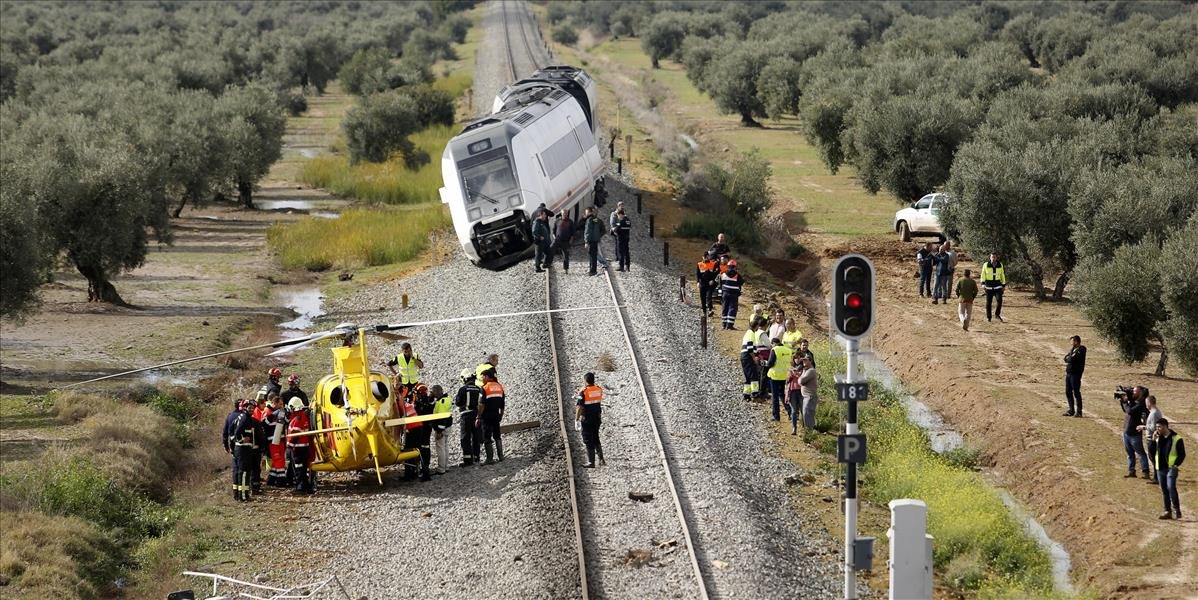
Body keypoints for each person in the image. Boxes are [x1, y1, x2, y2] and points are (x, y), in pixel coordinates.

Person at [223, 400, 255, 501]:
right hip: (243, 449)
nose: (252, 409)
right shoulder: (244, 418)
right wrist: (241, 440)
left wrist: (233, 444)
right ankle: (243, 496)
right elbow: (236, 432)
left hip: (239, 449)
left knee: (238, 471)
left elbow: (230, 430)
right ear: (245, 407)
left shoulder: (241, 417)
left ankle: (237, 495)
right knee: (244, 471)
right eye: (250, 407)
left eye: (253, 408)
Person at [1154, 418, 1185, 519]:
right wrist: (1152, 440)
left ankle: (1177, 510)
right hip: (1160, 467)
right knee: (1164, 490)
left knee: (1171, 487)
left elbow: (1182, 454)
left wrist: (1176, 464)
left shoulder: (1177, 438)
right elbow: (1152, 452)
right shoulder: (1158, 437)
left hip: (1171, 467)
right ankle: (1167, 511)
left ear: (1165, 426)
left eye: (1159, 427)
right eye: (1157, 427)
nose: (1157, 429)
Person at [1121, 386, 1152, 479]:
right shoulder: (1134, 402)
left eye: (1135, 391)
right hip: (1127, 432)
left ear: (1141, 393)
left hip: (1134, 434)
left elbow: (1129, 411)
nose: (1133, 393)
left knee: (1140, 453)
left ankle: (1145, 472)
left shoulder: (1141, 404)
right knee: (1129, 453)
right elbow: (1125, 410)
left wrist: (1125, 402)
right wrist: (1123, 400)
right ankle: (1131, 471)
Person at [576, 372, 606, 468]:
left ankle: (591, 462)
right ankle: (601, 459)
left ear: (585, 381)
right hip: (597, 417)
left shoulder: (583, 392)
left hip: (587, 419)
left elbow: (579, 407)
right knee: (596, 437)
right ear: (593, 380)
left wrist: (576, 419)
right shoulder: (599, 389)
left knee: (588, 439)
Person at [455, 368, 483, 466]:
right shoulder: (478, 389)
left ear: (465, 379)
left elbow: (458, 403)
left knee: (465, 437)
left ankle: (468, 460)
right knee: (476, 436)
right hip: (476, 416)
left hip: (466, 416)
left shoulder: (463, 389)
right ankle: (476, 457)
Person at [285, 397, 314, 494]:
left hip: (297, 449)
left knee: (298, 469)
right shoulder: (304, 417)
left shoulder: (297, 419)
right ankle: (306, 486)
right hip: (305, 448)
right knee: (303, 469)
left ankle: (300, 488)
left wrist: (289, 447)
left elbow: (294, 435)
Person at [479, 369, 505, 464]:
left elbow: (482, 404)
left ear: (487, 376)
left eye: (482, 377)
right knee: (497, 436)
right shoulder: (500, 387)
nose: (481, 379)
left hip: (486, 416)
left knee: (487, 436)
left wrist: (478, 417)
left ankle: (489, 459)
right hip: (496, 415)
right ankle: (501, 456)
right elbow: (502, 404)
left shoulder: (484, 388)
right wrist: (501, 415)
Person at [765, 338, 794, 422]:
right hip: (784, 376)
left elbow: (770, 363)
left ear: (774, 343)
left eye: (772, 344)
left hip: (774, 376)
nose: (772, 346)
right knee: (783, 395)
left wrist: (765, 364)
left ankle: (776, 416)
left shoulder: (775, 350)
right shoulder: (788, 350)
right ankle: (790, 412)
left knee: (775, 396)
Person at [264, 396, 289, 487]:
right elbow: (264, 424)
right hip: (273, 441)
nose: (281, 406)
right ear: (274, 403)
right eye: (280, 404)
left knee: (279, 459)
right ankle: (281, 480)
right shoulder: (268, 412)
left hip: (280, 439)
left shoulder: (281, 413)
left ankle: (271, 479)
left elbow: (287, 422)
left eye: (282, 404)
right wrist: (274, 415)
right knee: (278, 459)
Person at [430, 384, 453, 475]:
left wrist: (439, 431)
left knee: (440, 447)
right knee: (445, 446)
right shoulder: (447, 399)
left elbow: (442, 418)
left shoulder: (442, 402)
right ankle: (446, 466)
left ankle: (441, 468)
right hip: (448, 426)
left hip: (442, 428)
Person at [1140, 396, 1163, 483]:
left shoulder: (1153, 413)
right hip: (1154, 438)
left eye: (1146, 403)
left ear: (1149, 403)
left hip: (1152, 439)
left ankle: (1157, 478)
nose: (1146, 405)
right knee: (1154, 458)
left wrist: (1143, 427)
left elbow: (1153, 428)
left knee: (1153, 458)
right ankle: (1157, 477)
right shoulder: (1155, 411)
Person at [1063, 335, 1086, 417]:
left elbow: (1072, 359)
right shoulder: (1072, 350)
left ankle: (1079, 412)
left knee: (1076, 392)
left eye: (1072, 341)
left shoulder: (1082, 349)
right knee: (1068, 392)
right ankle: (1071, 410)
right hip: (1069, 373)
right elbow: (1065, 358)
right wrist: (1070, 357)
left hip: (1075, 374)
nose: (1071, 343)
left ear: (1076, 341)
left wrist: (1070, 358)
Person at [981, 253, 1007, 322]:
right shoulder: (985, 264)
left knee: (999, 300)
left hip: (997, 286)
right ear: (990, 257)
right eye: (992, 257)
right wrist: (983, 284)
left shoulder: (1000, 265)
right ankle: (988, 317)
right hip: (988, 286)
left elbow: (1002, 275)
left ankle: (997, 315)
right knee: (988, 302)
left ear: (996, 258)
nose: (993, 258)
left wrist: (1003, 285)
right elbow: (983, 274)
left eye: (994, 257)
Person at [739, 320, 762, 400]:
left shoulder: (748, 333)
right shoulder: (751, 333)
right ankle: (755, 393)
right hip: (748, 356)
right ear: (756, 326)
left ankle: (746, 394)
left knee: (748, 376)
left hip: (744, 356)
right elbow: (749, 347)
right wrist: (754, 357)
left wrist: (757, 354)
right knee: (753, 375)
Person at [720, 260, 744, 330]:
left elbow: (720, 282)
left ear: (728, 266)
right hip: (734, 294)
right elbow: (741, 282)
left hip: (725, 293)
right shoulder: (737, 275)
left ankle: (724, 324)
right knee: (732, 309)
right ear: (735, 267)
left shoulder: (723, 274)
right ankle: (729, 325)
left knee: (725, 308)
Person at [798, 356, 819, 434]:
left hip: (810, 397)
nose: (804, 362)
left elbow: (801, 381)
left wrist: (800, 378)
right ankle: (809, 431)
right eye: (803, 360)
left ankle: (810, 431)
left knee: (807, 413)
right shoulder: (806, 370)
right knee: (806, 413)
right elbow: (800, 381)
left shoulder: (811, 371)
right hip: (807, 397)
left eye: (805, 360)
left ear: (810, 361)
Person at [583, 206, 606, 276]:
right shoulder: (597, 219)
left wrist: (586, 241)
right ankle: (593, 270)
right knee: (594, 255)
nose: (585, 213)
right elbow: (603, 230)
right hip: (595, 241)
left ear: (589, 212)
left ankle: (592, 271)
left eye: (586, 212)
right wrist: (598, 236)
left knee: (591, 256)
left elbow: (588, 231)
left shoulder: (589, 220)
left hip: (591, 241)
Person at [696, 252, 719, 316]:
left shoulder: (713, 264)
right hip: (702, 283)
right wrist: (698, 282)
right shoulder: (699, 264)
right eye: (705, 256)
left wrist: (713, 280)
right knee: (702, 298)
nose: (706, 258)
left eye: (707, 256)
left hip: (710, 284)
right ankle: (704, 312)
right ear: (702, 257)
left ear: (709, 257)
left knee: (709, 296)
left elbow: (716, 274)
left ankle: (710, 310)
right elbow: (698, 274)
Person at [755, 318, 772, 400]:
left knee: (759, 374)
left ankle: (759, 391)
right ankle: (763, 392)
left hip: (758, 355)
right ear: (765, 325)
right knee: (764, 374)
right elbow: (768, 344)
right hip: (764, 355)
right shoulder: (762, 333)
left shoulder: (756, 332)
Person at [613, 207, 632, 271]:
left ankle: (621, 266)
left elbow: (617, 230)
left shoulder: (622, 221)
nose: (618, 217)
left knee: (621, 252)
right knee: (627, 252)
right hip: (626, 238)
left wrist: (613, 230)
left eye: (618, 215)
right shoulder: (628, 221)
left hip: (621, 239)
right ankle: (627, 266)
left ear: (621, 214)